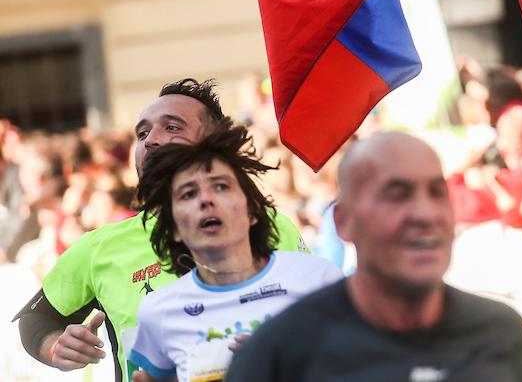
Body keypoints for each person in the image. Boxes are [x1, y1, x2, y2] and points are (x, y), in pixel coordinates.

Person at [13, 79, 305, 382]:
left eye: (172, 127)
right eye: (142, 133)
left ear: (214, 142)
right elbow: (36, 318)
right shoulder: (101, 247)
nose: (151, 140)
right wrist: (54, 346)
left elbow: (318, 321)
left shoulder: (269, 225)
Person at [225, 132, 522, 381]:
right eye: (396, 195)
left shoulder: (500, 333)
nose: (425, 214)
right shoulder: (279, 354)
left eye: (436, 192)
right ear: (344, 222)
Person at [127, 126, 340, 381]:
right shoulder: (158, 311)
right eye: (188, 194)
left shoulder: (317, 278)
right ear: (174, 227)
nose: (205, 200)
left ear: (252, 211)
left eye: (220, 186)